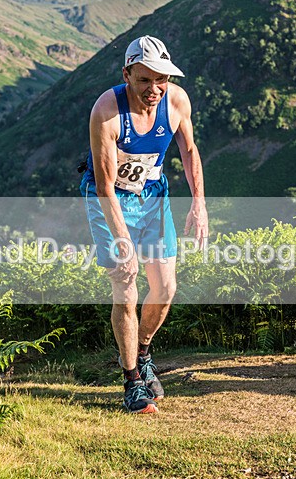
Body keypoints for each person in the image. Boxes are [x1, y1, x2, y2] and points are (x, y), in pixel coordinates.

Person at [80, 35, 208, 414]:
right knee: (127, 282)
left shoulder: (177, 101)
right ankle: (132, 381)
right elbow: (104, 185)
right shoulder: (106, 110)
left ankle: (143, 350)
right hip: (111, 198)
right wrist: (122, 242)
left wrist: (199, 204)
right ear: (127, 74)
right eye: (144, 80)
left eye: (161, 80)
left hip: (153, 194)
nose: (154, 89)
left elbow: (188, 149)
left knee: (165, 287)